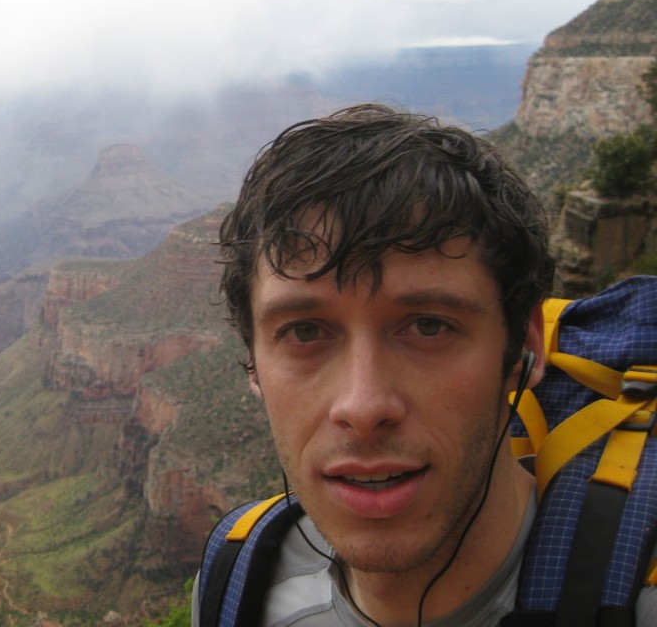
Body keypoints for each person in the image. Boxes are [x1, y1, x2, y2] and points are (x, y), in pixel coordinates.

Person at [193, 104, 657, 626]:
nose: (364, 407)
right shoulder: (238, 581)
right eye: (304, 332)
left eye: (429, 326)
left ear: (524, 348)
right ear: (253, 364)